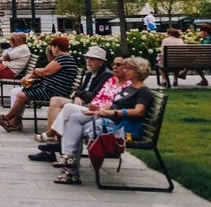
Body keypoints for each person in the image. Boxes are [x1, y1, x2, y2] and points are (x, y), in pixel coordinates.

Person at [54, 57, 155, 185]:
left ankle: (71, 171)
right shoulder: (129, 87)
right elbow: (114, 103)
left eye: (128, 68)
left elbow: (138, 111)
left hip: (119, 127)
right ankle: (68, 159)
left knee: (76, 129)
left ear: (139, 71)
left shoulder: (143, 91)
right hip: (108, 119)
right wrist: (99, 110)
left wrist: (111, 112)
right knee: (72, 119)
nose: (124, 70)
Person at [28, 47, 116, 161]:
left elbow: (94, 95)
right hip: (82, 102)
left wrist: (79, 94)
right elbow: (79, 91)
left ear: (101, 62)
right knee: (55, 100)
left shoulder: (106, 75)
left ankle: (51, 138)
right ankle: (53, 140)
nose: (88, 61)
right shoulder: (90, 73)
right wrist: (77, 96)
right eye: (87, 58)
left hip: (92, 106)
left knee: (67, 109)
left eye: (93, 59)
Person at [0, 36, 78, 132]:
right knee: (22, 94)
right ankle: (12, 122)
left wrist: (35, 70)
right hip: (51, 88)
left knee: (21, 96)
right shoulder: (64, 58)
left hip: (53, 91)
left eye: (52, 48)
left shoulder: (63, 59)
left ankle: (6, 118)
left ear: (56, 47)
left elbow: (45, 71)